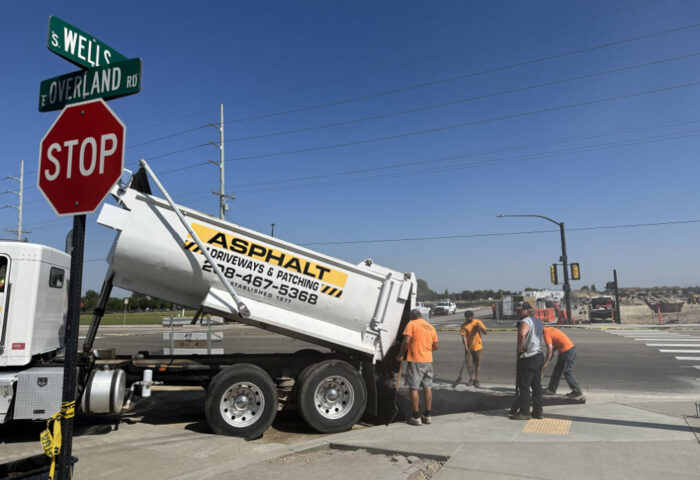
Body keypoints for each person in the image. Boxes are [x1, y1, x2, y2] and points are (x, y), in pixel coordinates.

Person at [396, 308, 438, 426]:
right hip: (428, 361)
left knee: (414, 388)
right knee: (427, 387)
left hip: (416, 360)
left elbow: (406, 341)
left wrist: (400, 355)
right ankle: (428, 415)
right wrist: (426, 351)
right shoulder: (430, 327)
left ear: (412, 317)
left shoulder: (412, 324)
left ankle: (416, 417)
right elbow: (435, 346)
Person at [511, 302, 544, 420]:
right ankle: (538, 411)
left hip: (529, 357)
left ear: (526, 310)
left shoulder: (526, 321)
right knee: (536, 385)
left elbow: (522, 333)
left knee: (524, 386)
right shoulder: (537, 321)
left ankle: (525, 412)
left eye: (520, 310)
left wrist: (520, 349)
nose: (518, 312)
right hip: (538, 355)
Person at [542, 327, 584, 400]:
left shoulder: (546, 334)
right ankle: (551, 389)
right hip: (568, 350)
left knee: (567, 372)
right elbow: (556, 342)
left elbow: (549, 349)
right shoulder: (549, 329)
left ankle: (577, 391)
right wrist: (550, 356)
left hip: (567, 351)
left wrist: (546, 362)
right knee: (557, 371)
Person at [459, 310, 487, 387]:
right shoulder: (464, 325)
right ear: (465, 318)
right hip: (469, 348)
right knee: (469, 365)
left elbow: (485, 332)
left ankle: (477, 380)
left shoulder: (478, 322)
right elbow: (463, 337)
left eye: (470, 318)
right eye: (467, 318)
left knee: (477, 364)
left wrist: (480, 327)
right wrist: (466, 347)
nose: (468, 319)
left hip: (478, 347)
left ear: (472, 316)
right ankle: (471, 378)